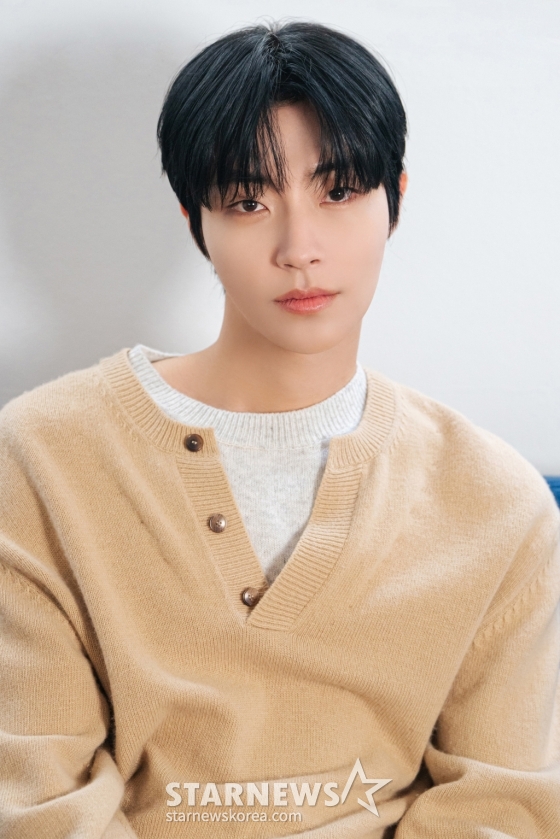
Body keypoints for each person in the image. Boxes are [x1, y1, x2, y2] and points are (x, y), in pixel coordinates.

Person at [0, 20, 558, 839]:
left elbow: (503, 809)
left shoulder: (498, 503)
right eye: (248, 201)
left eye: (340, 191)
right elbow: (40, 801)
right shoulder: (42, 456)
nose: (300, 247)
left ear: (396, 198)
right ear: (194, 219)